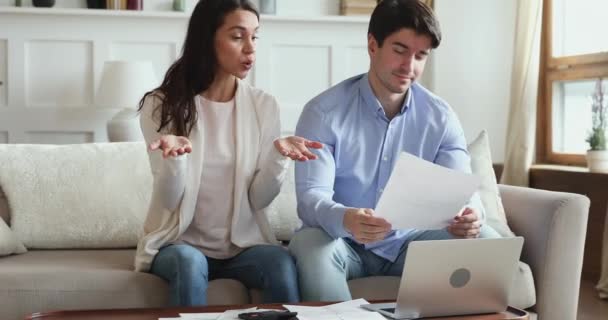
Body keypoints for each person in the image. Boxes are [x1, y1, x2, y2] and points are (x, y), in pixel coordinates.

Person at [289, 0, 501, 301]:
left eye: (420, 55)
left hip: (410, 243)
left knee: (486, 239)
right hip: (342, 243)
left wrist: (473, 214)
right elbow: (311, 199)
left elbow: (461, 188)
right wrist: (346, 218)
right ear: (372, 45)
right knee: (311, 244)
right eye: (400, 50)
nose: (409, 66)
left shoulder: (441, 117)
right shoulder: (323, 112)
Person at [134, 0, 321, 306]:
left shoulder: (264, 106)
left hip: (241, 248)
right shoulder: (162, 105)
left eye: (255, 36)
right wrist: (175, 160)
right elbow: (168, 201)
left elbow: (259, 200)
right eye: (237, 37)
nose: (250, 49)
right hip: (179, 245)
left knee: (279, 263)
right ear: (208, 40)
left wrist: (277, 158)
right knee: (189, 263)